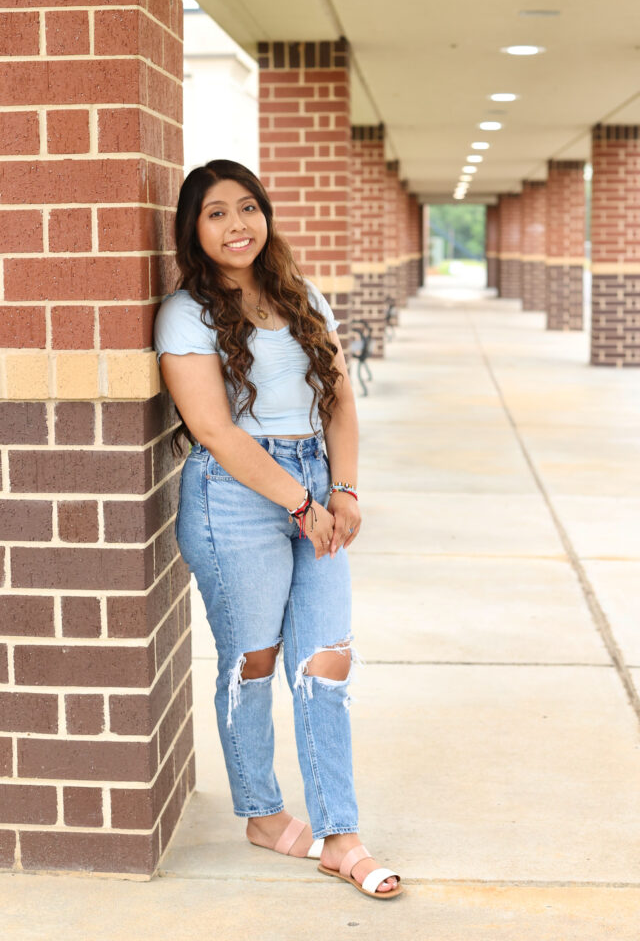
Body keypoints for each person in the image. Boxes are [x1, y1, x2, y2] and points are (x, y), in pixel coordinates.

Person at [154, 159, 402, 899]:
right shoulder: (185, 312)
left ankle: (341, 832)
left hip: (314, 489)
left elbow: (338, 402)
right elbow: (213, 429)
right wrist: (302, 504)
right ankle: (262, 813)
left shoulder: (300, 294)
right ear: (194, 231)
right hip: (233, 498)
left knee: (325, 660)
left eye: (248, 208)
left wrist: (345, 488)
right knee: (253, 662)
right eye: (217, 214)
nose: (238, 225)